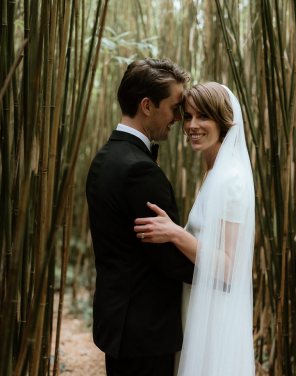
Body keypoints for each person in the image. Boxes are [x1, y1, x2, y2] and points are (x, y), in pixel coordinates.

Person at [134, 82, 255, 376]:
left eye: (203, 116)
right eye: (187, 116)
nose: (192, 125)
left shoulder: (233, 181)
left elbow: (228, 267)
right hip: (199, 305)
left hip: (216, 316)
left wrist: (175, 233)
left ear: (224, 123)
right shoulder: (215, 173)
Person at [86, 58, 195, 376]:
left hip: (119, 323)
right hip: (146, 333)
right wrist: (216, 262)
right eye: (175, 107)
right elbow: (171, 260)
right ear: (147, 105)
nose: (178, 118)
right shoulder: (139, 170)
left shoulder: (104, 158)